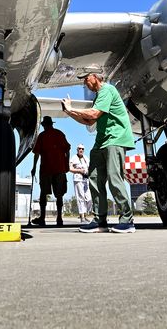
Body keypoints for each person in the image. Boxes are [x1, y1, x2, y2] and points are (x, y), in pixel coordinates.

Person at [61, 65, 136, 233]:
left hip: (115, 139)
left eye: (86, 79)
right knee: (94, 179)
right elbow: (88, 122)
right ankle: (100, 220)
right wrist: (69, 111)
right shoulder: (98, 97)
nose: (84, 83)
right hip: (101, 141)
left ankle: (127, 219)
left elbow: (93, 114)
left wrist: (73, 108)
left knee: (114, 178)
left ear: (95, 76)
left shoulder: (107, 90)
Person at [30, 116, 70, 226]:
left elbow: (37, 153)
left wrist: (33, 167)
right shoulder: (60, 134)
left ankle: (42, 218)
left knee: (43, 193)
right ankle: (59, 219)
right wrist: (66, 164)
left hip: (46, 169)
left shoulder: (42, 136)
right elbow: (67, 150)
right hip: (59, 168)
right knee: (59, 194)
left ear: (44, 125)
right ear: (51, 124)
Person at [70, 143, 91, 219]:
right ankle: (82, 216)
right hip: (78, 179)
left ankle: (85, 213)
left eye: (82, 149)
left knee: (89, 198)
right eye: (79, 148)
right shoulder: (74, 158)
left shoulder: (86, 158)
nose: (81, 150)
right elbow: (70, 169)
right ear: (77, 149)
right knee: (81, 197)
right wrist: (79, 171)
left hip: (86, 179)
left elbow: (89, 167)